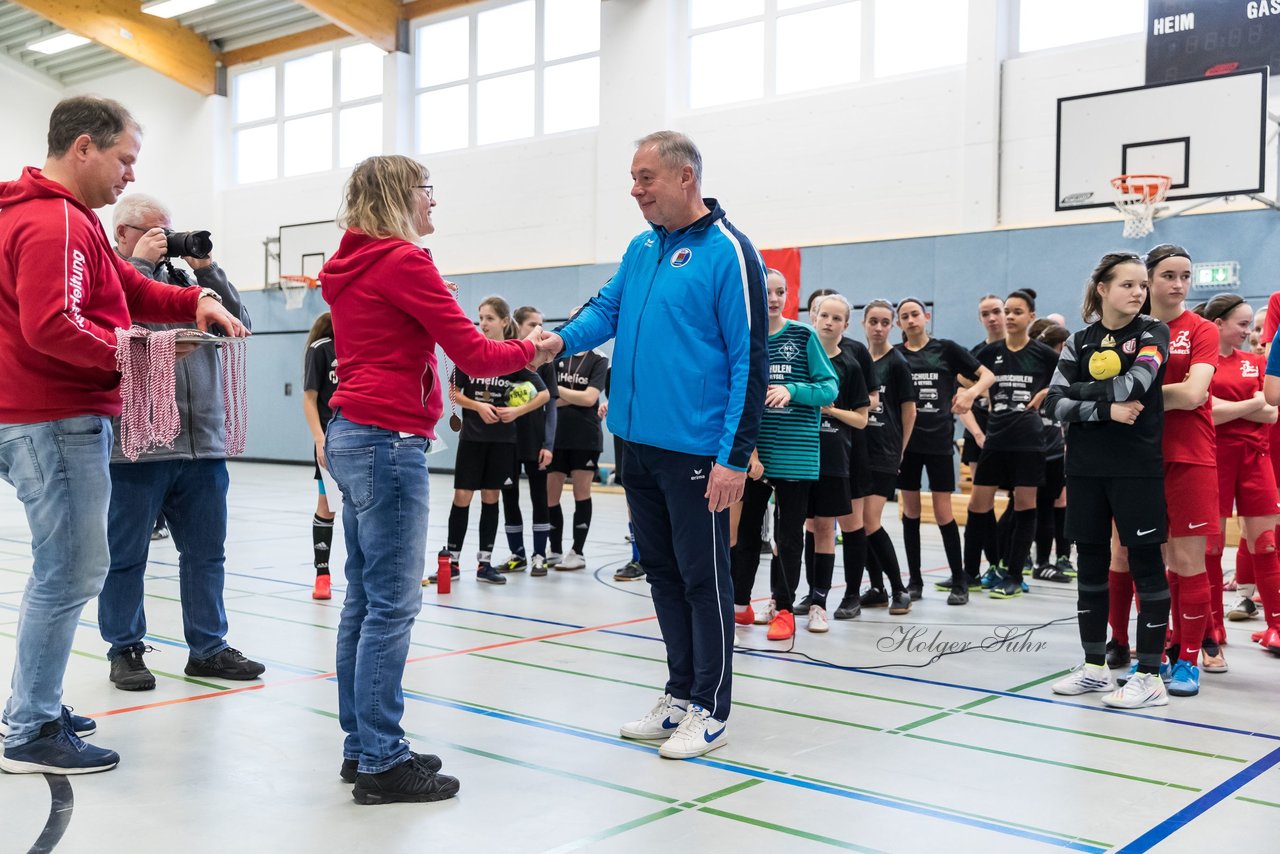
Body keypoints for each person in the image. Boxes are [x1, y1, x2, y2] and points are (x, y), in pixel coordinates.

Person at [0, 96, 246, 774]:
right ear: (84, 147)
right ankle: (29, 731)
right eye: (124, 160)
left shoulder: (64, 219)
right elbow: (52, 326)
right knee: (70, 570)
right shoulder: (55, 223)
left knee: (64, 568)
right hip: (55, 418)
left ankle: (36, 706)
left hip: (46, 416)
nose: (129, 176)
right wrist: (140, 354)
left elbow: (127, 294)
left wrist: (193, 298)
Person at [533, 131, 768, 760]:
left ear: (685, 177)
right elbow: (606, 308)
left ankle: (712, 707)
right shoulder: (641, 247)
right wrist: (557, 343)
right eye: (633, 179)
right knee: (661, 574)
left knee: (704, 579)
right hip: (634, 444)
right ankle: (680, 693)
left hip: (698, 453)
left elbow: (751, 360)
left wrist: (732, 456)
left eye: (645, 178)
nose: (635, 190)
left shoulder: (729, 252)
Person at [321, 155, 536, 803]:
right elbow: (474, 353)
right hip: (388, 440)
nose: (433, 203)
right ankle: (384, 762)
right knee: (391, 603)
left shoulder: (348, 265)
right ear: (397, 196)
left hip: (351, 434)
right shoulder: (405, 262)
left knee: (363, 599)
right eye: (426, 191)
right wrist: (537, 348)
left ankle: (364, 745)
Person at [97, 192, 263, 692]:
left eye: (169, 231)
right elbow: (118, 323)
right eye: (154, 231)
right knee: (126, 556)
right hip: (138, 445)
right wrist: (140, 266)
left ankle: (208, 649)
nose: (166, 240)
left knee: (207, 554)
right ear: (123, 234)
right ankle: (125, 648)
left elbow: (241, 325)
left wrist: (207, 269)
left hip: (202, 443)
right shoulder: (109, 277)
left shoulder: (191, 280)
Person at [1048, 252, 1171, 709]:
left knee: (1145, 565)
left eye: (1142, 285)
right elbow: (1052, 405)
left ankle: (1150, 675)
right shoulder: (1078, 341)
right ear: (1102, 288)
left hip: (1135, 467)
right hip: (1084, 468)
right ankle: (1095, 668)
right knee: (1091, 567)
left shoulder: (1152, 331)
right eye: (1128, 285)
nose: (1139, 292)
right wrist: (1105, 410)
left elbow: (1135, 385)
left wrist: (1081, 394)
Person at [731, 269, 838, 639]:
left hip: (796, 454)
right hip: (754, 456)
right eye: (766, 292)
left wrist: (793, 390)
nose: (773, 298)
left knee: (788, 537)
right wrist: (750, 451)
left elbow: (829, 389)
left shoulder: (803, 335)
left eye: (780, 292)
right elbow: (736, 398)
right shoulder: (745, 339)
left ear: (788, 295)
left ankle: (785, 610)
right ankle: (739, 606)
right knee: (746, 534)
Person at [439, 297, 550, 585]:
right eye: (480, 318)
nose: (483, 324)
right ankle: (451, 561)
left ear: (504, 322)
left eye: (489, 318)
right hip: (472, 438)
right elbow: (454, 393)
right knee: (462, 496)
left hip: (502, 441)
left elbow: (544, 394)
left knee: (492, 497)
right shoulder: (471, 353)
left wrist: (516, 411)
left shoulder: (512, 356)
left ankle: (484, 563)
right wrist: (478, 407)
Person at [1196, 294, 1280, 657]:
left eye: (1251, 324)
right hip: (1213, 459)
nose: (1250, 332)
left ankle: (1276, 625)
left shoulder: (1255, 362)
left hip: (1255, 459)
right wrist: (1251, 405)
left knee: (1265, 542)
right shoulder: (1202, 364)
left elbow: (1272, 413)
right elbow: (1205, 411)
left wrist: (1232, 409)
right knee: (1212, 548)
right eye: (1242, 324)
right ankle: (1213, 625)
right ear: (1218, 324)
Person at [894, 297, 994, 600]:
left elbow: (987, 375)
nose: (911, 320)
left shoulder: (946, 349)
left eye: (915, 315)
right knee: (909, 512)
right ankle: (915, 583)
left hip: (938, 442)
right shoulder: (895, 355)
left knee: (942, 512)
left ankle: (960, 581)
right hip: (906, 445)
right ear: (899, 323)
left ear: (926, 317)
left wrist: (971, 394)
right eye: (904, 317)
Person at [964, 290, 1059, 600]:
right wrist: (975, 393)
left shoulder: (1043, 353)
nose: (1009, 316)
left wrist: (1047, 393)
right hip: (995, 438)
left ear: (1030, 316)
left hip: (1029, 440)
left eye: (1017, 311)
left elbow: (1073, 377)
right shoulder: (989, 354)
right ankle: (979, 570)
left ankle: (1015, 575)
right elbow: (964, 376)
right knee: (979, 505)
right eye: (1007, 311)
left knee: (1024, 505)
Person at [807, 294, 871, 625]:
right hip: (800, 454)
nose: (829, 322)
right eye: (824, 316)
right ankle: (806, 594)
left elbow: (862, 417)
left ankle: (842, 595)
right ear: (813, 317)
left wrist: (830, 410)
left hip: (838, 456)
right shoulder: (800, 356)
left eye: (836, 318)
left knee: (835, 526)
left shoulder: (852, 363)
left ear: (846, 325)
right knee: (808, 524)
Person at [860, 299, 917, 614]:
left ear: (891, 326)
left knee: (871, 521)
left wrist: (900, 451)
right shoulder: (857, 357)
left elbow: (909, 411)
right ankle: (877, 587)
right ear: (864, 324)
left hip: (885, 452)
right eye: (873, 322)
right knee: (858, 524)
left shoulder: (897, 363)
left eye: (884, 322)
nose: (879, 328)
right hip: (857, 451)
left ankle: (899, 588)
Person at [546, 316, 608, 570]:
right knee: (551, 494)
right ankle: (555, 549)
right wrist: (573, 396)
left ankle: (578, 552)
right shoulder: (558, 355)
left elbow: (590, 397)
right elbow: (547, 396)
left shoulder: (599, 358)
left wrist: (559, 393)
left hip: (586, 436)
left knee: (582, 492)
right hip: (556, 434)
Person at [500, 306, 558, 576]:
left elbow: (552, 406)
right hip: (507, 442)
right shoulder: (503, 356)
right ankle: (517, 554)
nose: (539, 329)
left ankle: (539, 555)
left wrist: (548, 444)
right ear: (519, 326)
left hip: (535, 441)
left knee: (539, 498)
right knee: (509, 498)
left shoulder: (545, 360)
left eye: (541, 323)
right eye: (534, 324)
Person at [303, 311, 339, 599]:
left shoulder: (365, 345)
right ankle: (322, 574)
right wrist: (319, 438)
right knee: (327, 505)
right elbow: (310, 399)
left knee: (362, 510)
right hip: (331, 440)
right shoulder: (321, 349)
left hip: (362, 438)